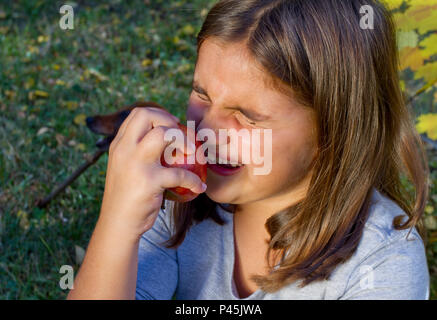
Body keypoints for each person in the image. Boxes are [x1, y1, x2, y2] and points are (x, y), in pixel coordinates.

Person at [67, 0, 430, 300]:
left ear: (336, 130)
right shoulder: (176, 200)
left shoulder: (382, 262)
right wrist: (118, 222)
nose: (207, 130)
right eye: (202, 94)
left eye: (248, 116)